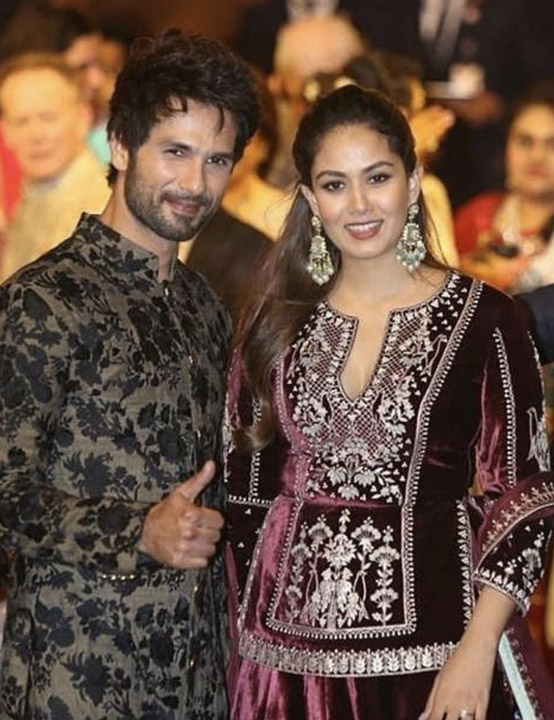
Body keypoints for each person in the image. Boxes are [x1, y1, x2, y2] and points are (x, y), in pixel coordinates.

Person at [224, 84, 554, 719]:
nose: (358, 204)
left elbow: (524, 499)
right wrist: (244, 661)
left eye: (377, 177)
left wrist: (476, 651)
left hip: (435, 662)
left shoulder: (486, 320)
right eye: (334, 184)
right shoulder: (273, 324)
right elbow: (246, 502)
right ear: (309, 199)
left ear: (414, 181)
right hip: (283, 669)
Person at [0, 28, 258, 719]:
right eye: (175, 152)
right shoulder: (44, 299)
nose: (194, 183)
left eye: (216, 160)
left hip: (197, 680)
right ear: (119, 145)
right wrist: (138, 530)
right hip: (75, 678)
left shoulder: (205, 306)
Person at [0, 53, 110, 282]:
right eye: (21, 121)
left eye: (48, 117)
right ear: (6, 131)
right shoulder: (28, 200)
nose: (36, 135)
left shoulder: (108, 210)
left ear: (83, 117)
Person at [455, 84, 554, 294]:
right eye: (525, 142)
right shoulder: (474, 218)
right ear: (505, 148)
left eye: (552, 144)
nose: (537, 156)